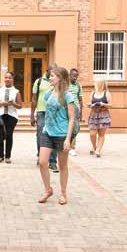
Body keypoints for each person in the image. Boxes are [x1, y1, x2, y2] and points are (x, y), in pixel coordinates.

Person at [37, 67, 76, 206]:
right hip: (47, 132)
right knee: (42, 162)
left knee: (62, 166)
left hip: (61, 134)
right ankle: (48, 190)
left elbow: (72, 118)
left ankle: (63, 193)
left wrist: (68, 139)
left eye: (52, 76)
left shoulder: (67, 95)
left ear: (60, 78)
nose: (50, 78)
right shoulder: (49, 93)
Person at [31, 64, 59, 172]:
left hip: (54, 113)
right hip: (41, 112)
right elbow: (34, 99)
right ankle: (41, 157)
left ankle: (52, 162)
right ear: (47, 71)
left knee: (54, 135)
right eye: (51, 72)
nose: (53, 75)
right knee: (40, 135)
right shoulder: (38, 82)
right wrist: (32, 115)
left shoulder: (57, 81)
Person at [0, 72, 22, 164]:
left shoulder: (16, 91)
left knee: (9, 135)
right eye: (6, 77)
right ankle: (0, 156)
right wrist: (2, 104)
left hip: (12, 116)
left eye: (9, 77)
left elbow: (20, 106)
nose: (7, 79)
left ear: (12, 79)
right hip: (0, 115)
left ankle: (7, 156)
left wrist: (13, 103)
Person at [87, 79, 112, 158]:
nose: (94, 84)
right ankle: (94, 146)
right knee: (92, 134)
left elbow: (111, 105)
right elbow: (90, 103)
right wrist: (90, 105)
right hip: (93, 114)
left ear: (99, 84)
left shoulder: (106, 93)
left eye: (95, 83)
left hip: (103, 114)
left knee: (101, 134)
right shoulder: (93, 93)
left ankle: (98, 150)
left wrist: (103, 104)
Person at [68, 68, 84, 156]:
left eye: (76, 76)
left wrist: (81, 113)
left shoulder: (78, 85)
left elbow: (80, 99)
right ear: (69, 75)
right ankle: (67, 145)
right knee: (68, 127)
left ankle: (72, 147)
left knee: (75, 128)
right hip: (67, 108)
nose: (75, 78)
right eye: (73, 76)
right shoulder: (65, 84)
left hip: (76, 108)